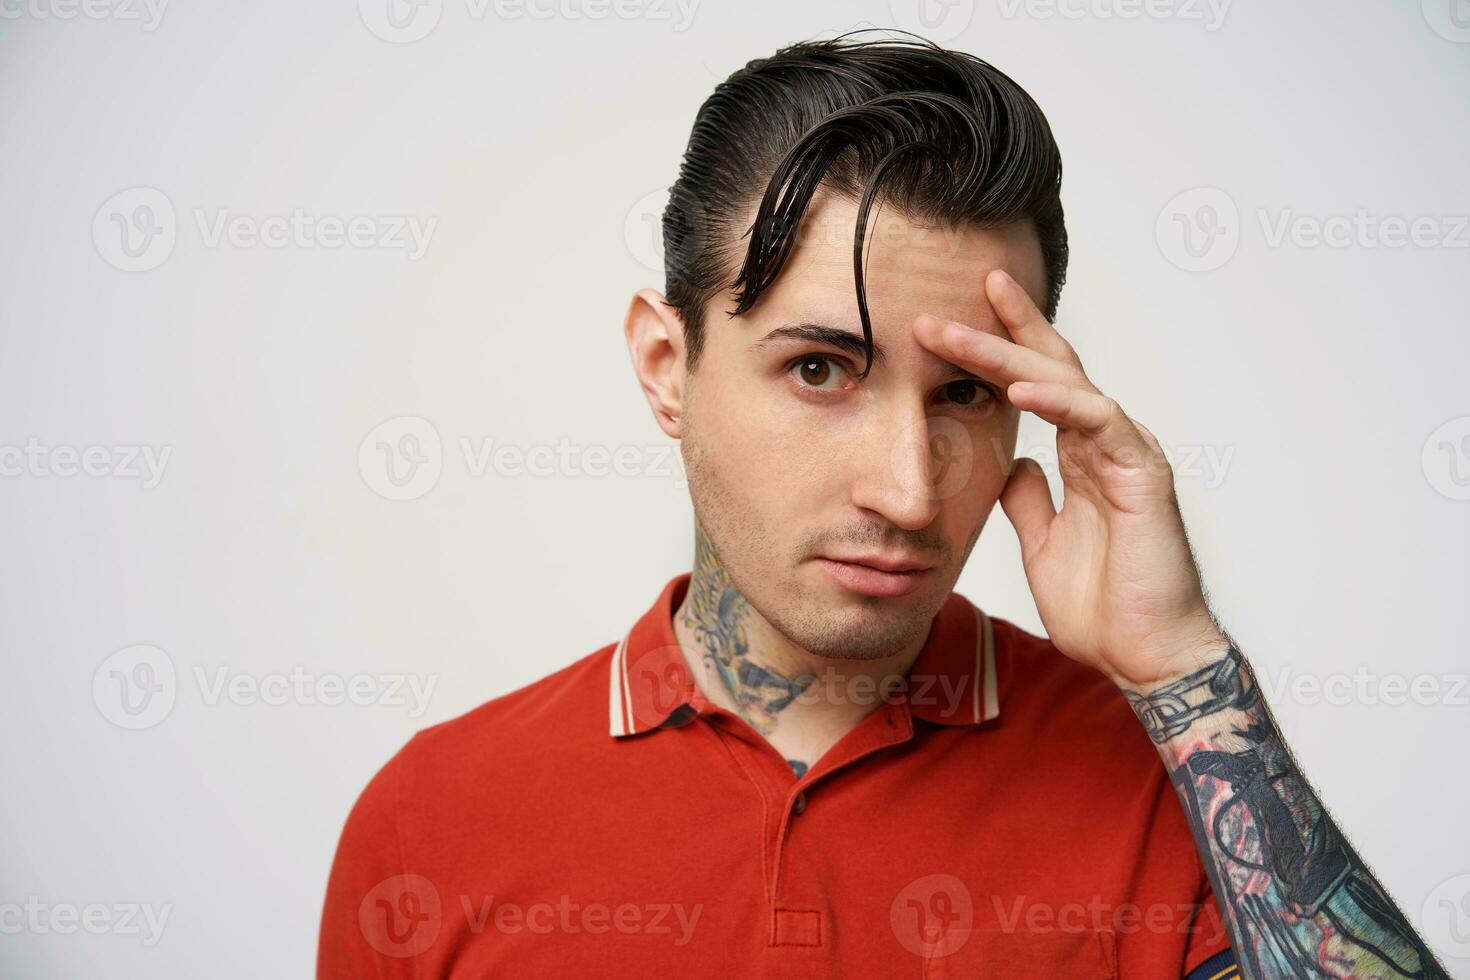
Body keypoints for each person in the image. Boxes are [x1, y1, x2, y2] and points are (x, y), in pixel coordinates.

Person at [318, 31, 1446, 978]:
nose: (910, 491)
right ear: (668, 364)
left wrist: (1186, 673)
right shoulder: (433, 818)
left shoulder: (1162, 776)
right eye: (821, 369)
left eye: (965, 391)